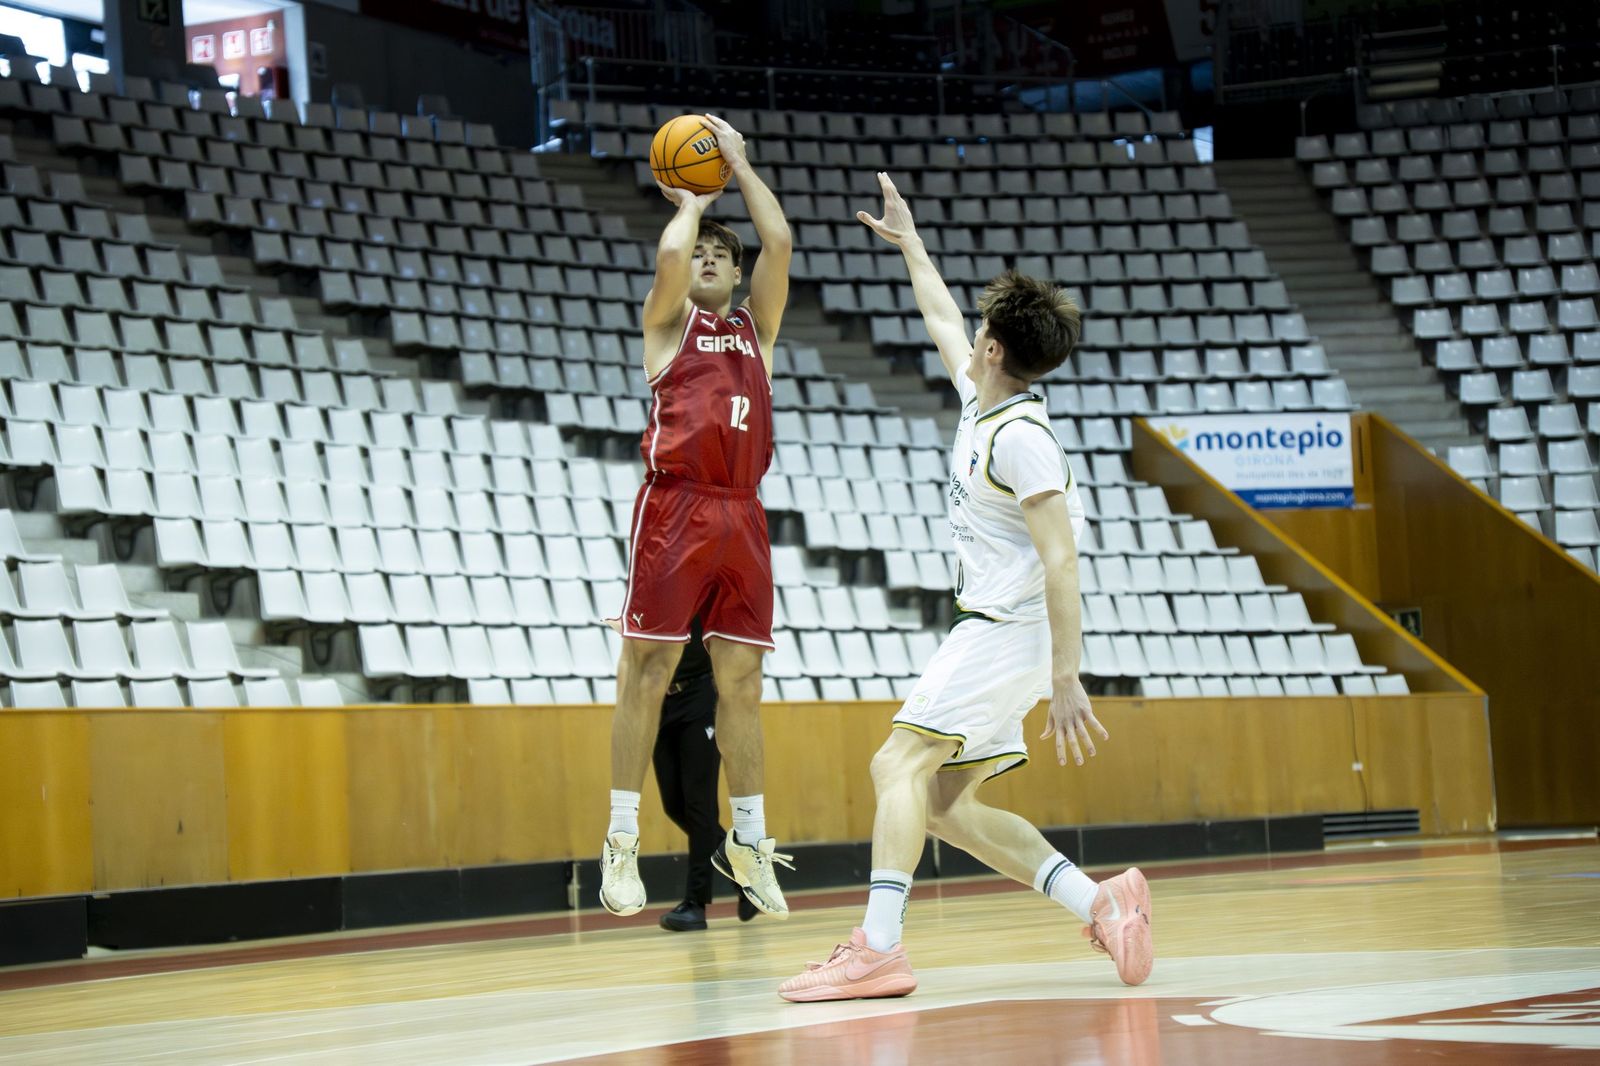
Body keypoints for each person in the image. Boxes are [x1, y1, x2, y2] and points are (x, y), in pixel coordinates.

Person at [778, 174, 1153, 1002]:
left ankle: (879, 949)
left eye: (981, 331)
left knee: (896, 762)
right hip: (1004, 630)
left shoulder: (1021, 438)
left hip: (1009, 630)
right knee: (944, 801)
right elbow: (941, 317)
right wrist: (911, 244)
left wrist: (1064, 675)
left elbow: (1062, 558)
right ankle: (1103, 901)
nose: (970, 334)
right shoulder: (984, 401)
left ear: (995, 350)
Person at [600, 114, 795, 921]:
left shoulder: (758, 327)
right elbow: (672, 258)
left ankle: (747, 839)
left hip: (742, 514)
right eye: (703, 252)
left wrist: (739, 166)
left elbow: (778, 242)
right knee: (645, 670)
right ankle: (620, 836)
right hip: (676, 506)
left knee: (741, 684)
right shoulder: (665, 326)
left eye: (723, 252)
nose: (708, 257)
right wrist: (689, 201)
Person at [654, 619, 759, 930]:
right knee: (674, 805)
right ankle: (747, 874)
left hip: (700, 696)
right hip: (660, 699)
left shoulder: (702, 584)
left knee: (700, 806)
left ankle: (695, 905)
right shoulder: (654, 592)